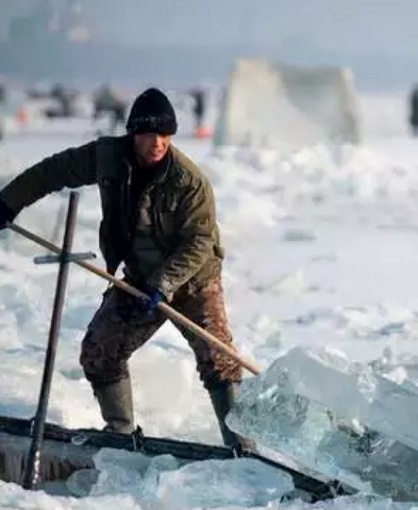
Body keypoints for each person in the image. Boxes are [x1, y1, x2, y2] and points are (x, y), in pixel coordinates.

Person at [0, 87, 251, 449]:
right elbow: (52, 172)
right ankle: (119, 431)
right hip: (139, 277)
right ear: (133, 133)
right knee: (100, 351)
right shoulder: (107, 157)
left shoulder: (189, 182)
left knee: (219, 361)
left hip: (194, 280)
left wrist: (164, 283)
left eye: (165, 134)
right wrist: (8, 203)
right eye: (149, 134)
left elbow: (200, 242)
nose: (157, 143)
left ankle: (242, 445)